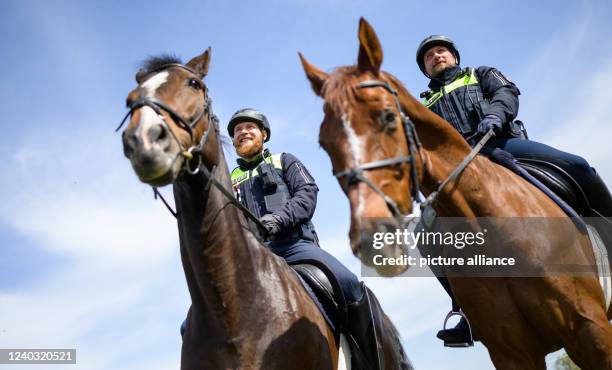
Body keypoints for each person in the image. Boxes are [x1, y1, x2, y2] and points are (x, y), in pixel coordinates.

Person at [416, 35, 612, 346]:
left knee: (578, 166)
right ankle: (466, 313)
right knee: (423, 232)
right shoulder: (422, 105)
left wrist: (495, 116)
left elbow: (506, 93)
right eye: (428, 56)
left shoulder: (480, 74)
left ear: (454, 55)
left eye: (440, 51)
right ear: (425, 69)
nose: (435, 56)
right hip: (457, 171)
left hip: (498, 143)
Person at [227, 108, 384, 369]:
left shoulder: (284, 160)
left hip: (294, 247)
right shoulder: (228, 179)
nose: (242, 132)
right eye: (237, 130)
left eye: (249, 127)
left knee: (350, 285)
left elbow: (307, 193)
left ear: (263, 134)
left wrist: (278, 219)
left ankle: (373, 361)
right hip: (252, 260)